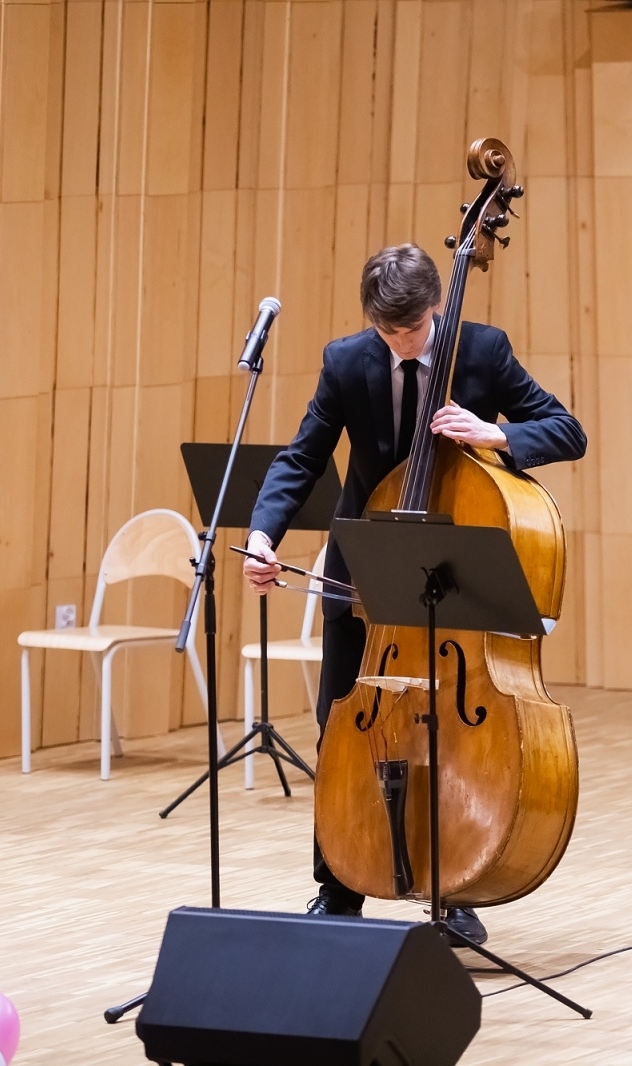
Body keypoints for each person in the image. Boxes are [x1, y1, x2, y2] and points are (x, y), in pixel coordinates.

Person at [242, 243, 586, 946]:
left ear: (435, 307)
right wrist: (263, 531)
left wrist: (497, 433)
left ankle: (451, 885)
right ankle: (335, 888)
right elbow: (303, 456)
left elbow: (567, 430)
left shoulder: (481, 351)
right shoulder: (346, 361)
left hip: (454, 570)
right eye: (387, 332)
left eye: (412, 330)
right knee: (342, 729)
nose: (401, 342)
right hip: (366, 579)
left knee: (456, 741)